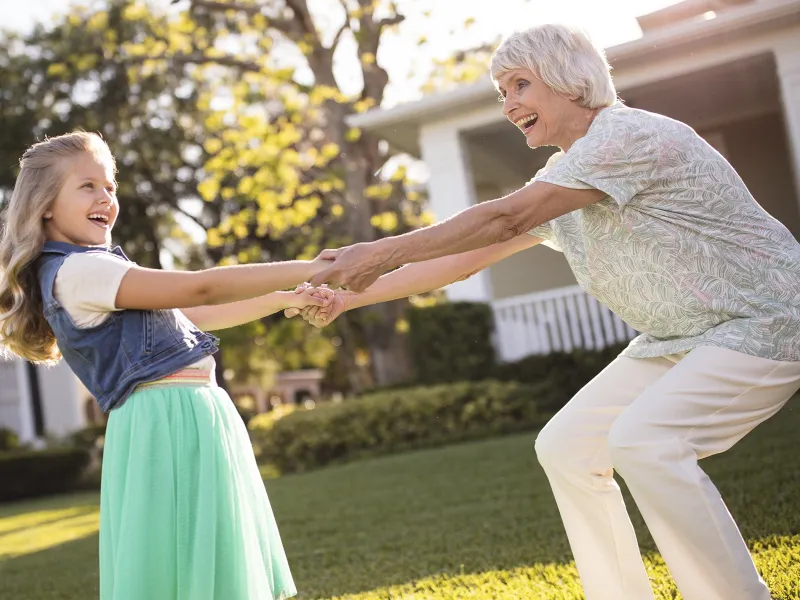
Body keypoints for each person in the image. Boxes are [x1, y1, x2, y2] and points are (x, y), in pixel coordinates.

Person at [289, 24, 800, 600]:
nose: (509, 106)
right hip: (683, 337)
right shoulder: (564, 178)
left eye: (519, 85)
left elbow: (503, 219)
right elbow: (462, 260)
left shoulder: (625, 137)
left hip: (766, 319)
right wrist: (348, 295)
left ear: (568, 79)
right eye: (501, 93)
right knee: (566, 447)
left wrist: (377, 253)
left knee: (644, 441)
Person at [0, 131, 335, 600]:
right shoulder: (79, 272)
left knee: (207, 564)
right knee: (182, 563)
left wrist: (283, 299)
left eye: (110, 186)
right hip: (166, 421)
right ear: (46, 205)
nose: (106, 198)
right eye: (88, 186)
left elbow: (193, 316)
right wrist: (312, 267)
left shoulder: (96, 267)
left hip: (190, 413)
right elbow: (201, 289)